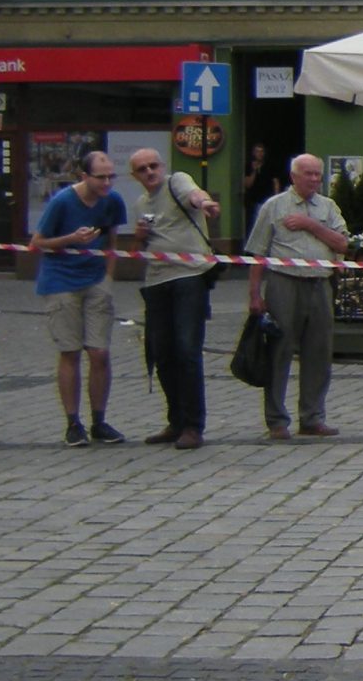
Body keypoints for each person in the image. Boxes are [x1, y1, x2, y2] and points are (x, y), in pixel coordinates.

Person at [245, 152, 350, 439]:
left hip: (320, 283)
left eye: (318, 174)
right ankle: (276, 420)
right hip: (284, 282)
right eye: (308, 174)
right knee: (279, 351)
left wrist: (310, 224)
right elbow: (258, 253)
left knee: (318, 352)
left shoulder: (328, 207)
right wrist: (255, 294)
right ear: (293, 176)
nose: (314, 179)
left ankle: (312, 417)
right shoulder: (274, 206)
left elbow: (342, 243)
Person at [31, 151, 130, 447]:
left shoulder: (113, 201)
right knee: (70, 351)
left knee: (99, 352)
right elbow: (38, 243)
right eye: (101, 177)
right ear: (84, 176)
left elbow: (112, 240)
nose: (107, 183)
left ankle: (99, 420)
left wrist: (108, 277)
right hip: (61, 280)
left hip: (96, 280)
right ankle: (73, 422)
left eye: (111, 176)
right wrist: (71, 239)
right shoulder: (62, 201)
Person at [128, 147, 220, 450]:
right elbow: (138, 250)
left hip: (189, 277)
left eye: (153, 165)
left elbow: (194, 195)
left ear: (162, 165)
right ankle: (176, 421)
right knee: (162, 352)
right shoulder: (141, 204)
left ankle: (193, 425)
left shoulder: (176, 181)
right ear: (134, 175)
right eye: (142, 169)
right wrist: (139, 237)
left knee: (186, 349)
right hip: (156, 281)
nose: (149, 172)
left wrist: (205, 202)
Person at [242, 142, 281, 227]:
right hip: (254, 200)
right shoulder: (249, 166)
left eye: (261, 151)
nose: (259, 154)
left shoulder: (270, 165)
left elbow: (276, 182)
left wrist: (276, 197)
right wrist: (254, 171)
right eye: (257, 151)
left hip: (267, 199)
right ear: (253, 153)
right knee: (256, 223)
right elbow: (247, 184)